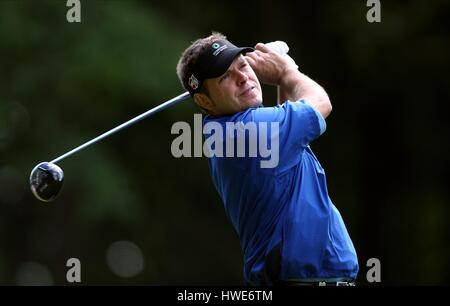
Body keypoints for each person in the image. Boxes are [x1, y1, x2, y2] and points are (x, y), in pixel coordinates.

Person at [176, 32, 359, 286]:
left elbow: (291, 136)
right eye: (225, 77)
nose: (243, 77)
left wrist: (281, 81)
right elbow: (320, 104)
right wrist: (286, 72)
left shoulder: (229, 132)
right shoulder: (246, 132)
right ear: (205, 100)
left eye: (243, 65)